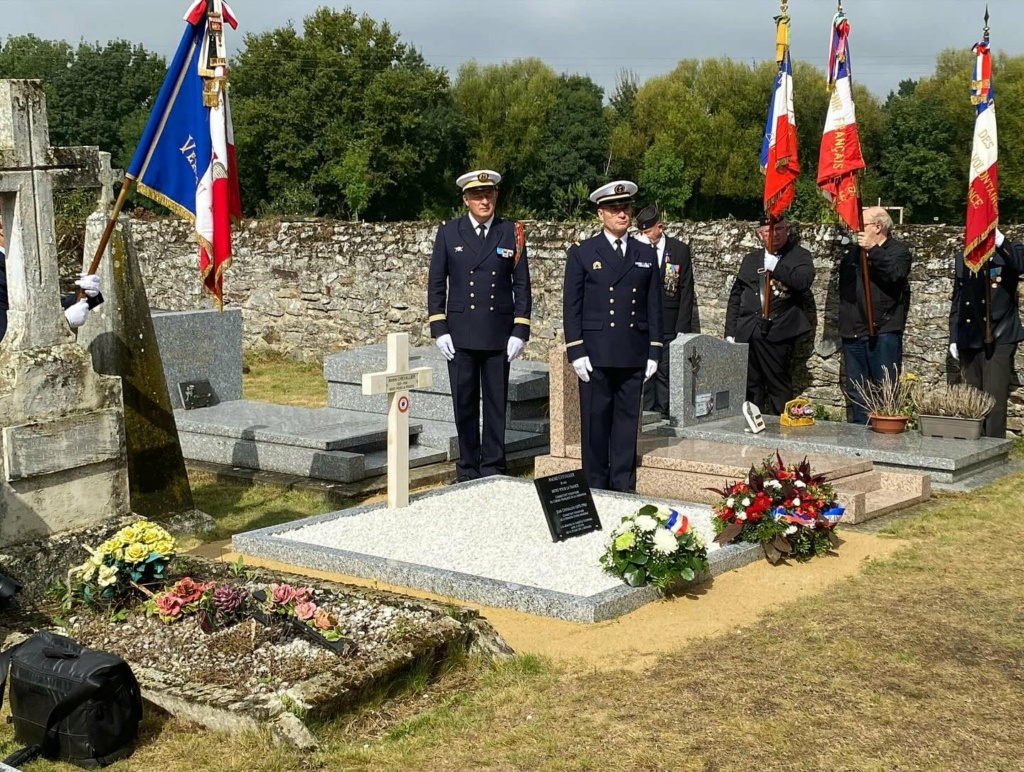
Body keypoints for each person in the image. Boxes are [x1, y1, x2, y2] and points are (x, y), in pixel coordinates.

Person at [428, 169, 532, 482]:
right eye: (477, 196)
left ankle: (494, 466)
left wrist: (520, 329)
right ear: (466, 200)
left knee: (496, 404)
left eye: (488, 195)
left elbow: (522, 284)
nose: (483, 201)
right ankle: (468, 467)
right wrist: (439, 326)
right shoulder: (449, 232)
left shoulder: (510, 232)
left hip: (498, 333)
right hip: (459, 333)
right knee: (465, 402)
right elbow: (436, 283)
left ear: (496, 196)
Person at [563, 181, 662, 492]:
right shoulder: (583, 252)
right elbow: (572, 305)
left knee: (626, 424)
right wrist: (576, 350)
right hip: (596, 352)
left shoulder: (644, 251)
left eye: (626, 208)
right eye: (615, 209)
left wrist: (654, 350)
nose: (622, 213)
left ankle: (622, 485)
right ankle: (594, 485)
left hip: (632, 350)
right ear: (600, 213)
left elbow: (654, 305)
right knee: (595, 424)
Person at [724, 217, 815, 415]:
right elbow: (737, 296)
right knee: (750, 385)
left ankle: (779, 432)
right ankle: (752, 425)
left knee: (778, 385)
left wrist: (777, 267)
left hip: (778, 331)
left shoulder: (799, 255)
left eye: (780, 228)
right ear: (759, 234)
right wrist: (730, 331)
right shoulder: (751, 259)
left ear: (787, 230)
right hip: (747, 330)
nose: (775, 234)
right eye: (768, 231)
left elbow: (803, 282)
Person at [839, 207, 912, 424]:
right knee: (857, 389)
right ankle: (861, 434)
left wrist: (874, 250)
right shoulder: (853, 254)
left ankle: (886, 436)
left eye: (863, 226)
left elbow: (895, 275)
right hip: (854, 330)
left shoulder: (899, 251)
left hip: (883, 330)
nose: (857, 231)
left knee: (885, 388)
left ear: (878, 227)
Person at [949, 228, 1024, 438]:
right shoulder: (963, 257)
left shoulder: (1010, 250)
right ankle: (973, 444)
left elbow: (1019, 265)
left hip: (998, 335)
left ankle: (992, 447)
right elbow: (958, 299)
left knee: (993, 399)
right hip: (969, 334)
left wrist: (1000, 241)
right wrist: (954, 336)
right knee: (972, 398)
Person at [635, 204, 696, 419]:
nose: (644, 236)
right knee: (647, 372)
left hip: (670, 323)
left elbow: (686, 291)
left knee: (666, 371)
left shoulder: (679, 250)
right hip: (645, 322)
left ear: (660, 227)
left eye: (647, 231)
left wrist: (683, 328)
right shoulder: (636, 250)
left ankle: (665, 412)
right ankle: (649, 413)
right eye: (640, 232)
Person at [0, 218, 102, 343]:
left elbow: (45, 310)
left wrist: (87, 294)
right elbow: (5, 334)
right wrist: (64, 322)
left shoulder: (18, 262)